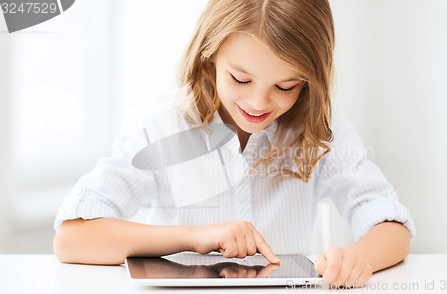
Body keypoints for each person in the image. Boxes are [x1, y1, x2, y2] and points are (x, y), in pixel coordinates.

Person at [53, 0, 415, 288]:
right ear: (210, 56)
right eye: (240, 79)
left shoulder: (319, 130)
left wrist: (359, 257)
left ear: (309, 82)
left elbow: (391, 224)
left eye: (286, 87)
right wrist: (194, 238)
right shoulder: (162, 127)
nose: (259, 103)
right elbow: (72, 239)